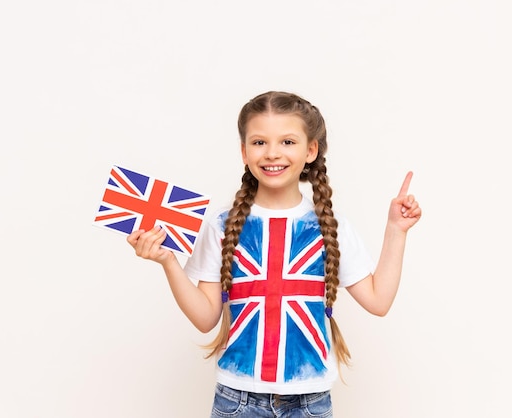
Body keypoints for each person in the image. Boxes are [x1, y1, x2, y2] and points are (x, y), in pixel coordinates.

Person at [127, 91, 421, 417]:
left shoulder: (331, 227)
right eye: (259, 142)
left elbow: (378, 302)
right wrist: (168, 261)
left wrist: (396, 231)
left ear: (311, 150)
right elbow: (205, 318)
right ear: (243, 151)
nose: (272, 153)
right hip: (236, 401)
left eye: (287, 142)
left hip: (310, 402)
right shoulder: (222, 226)